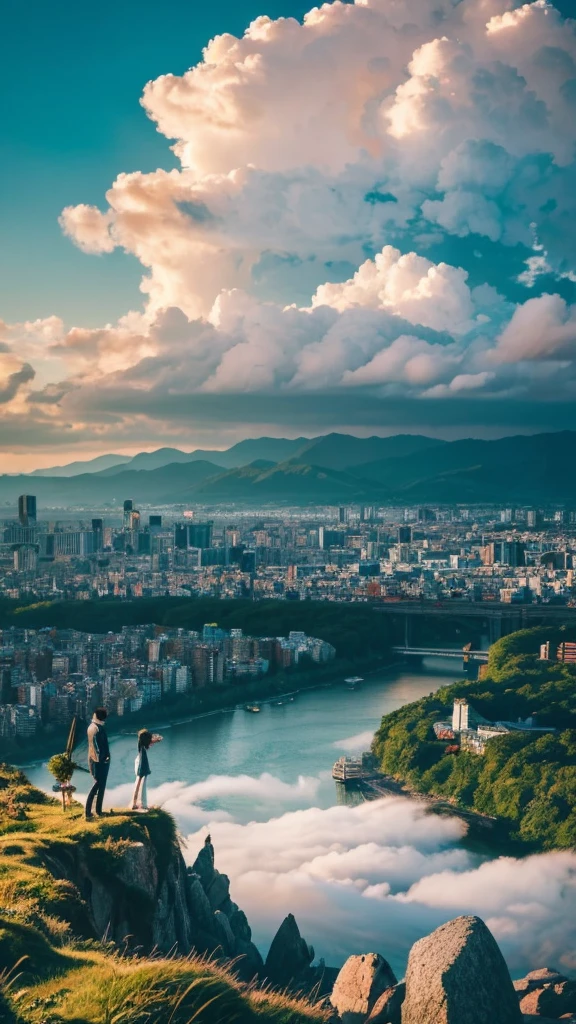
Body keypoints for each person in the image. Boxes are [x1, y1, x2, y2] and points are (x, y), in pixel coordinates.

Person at [85, 707, 110, 819]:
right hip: (99, 761)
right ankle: (90, 811)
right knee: (98, 785)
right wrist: (102, 759)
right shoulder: (97, 728)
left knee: (99, 785)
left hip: (94, 760)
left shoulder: (92, 727)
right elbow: (98, 746)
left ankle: (96, 811)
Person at [131, 729, 162, 811]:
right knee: (140, 785)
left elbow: (148, 742)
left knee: (139, 785)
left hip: (139, 763)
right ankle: (141, 804)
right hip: (141, 765)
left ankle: (137, 803)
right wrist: (142, 772)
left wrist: (155, 740)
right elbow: (148, 743)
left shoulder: (141, 745)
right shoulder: (142, 751)